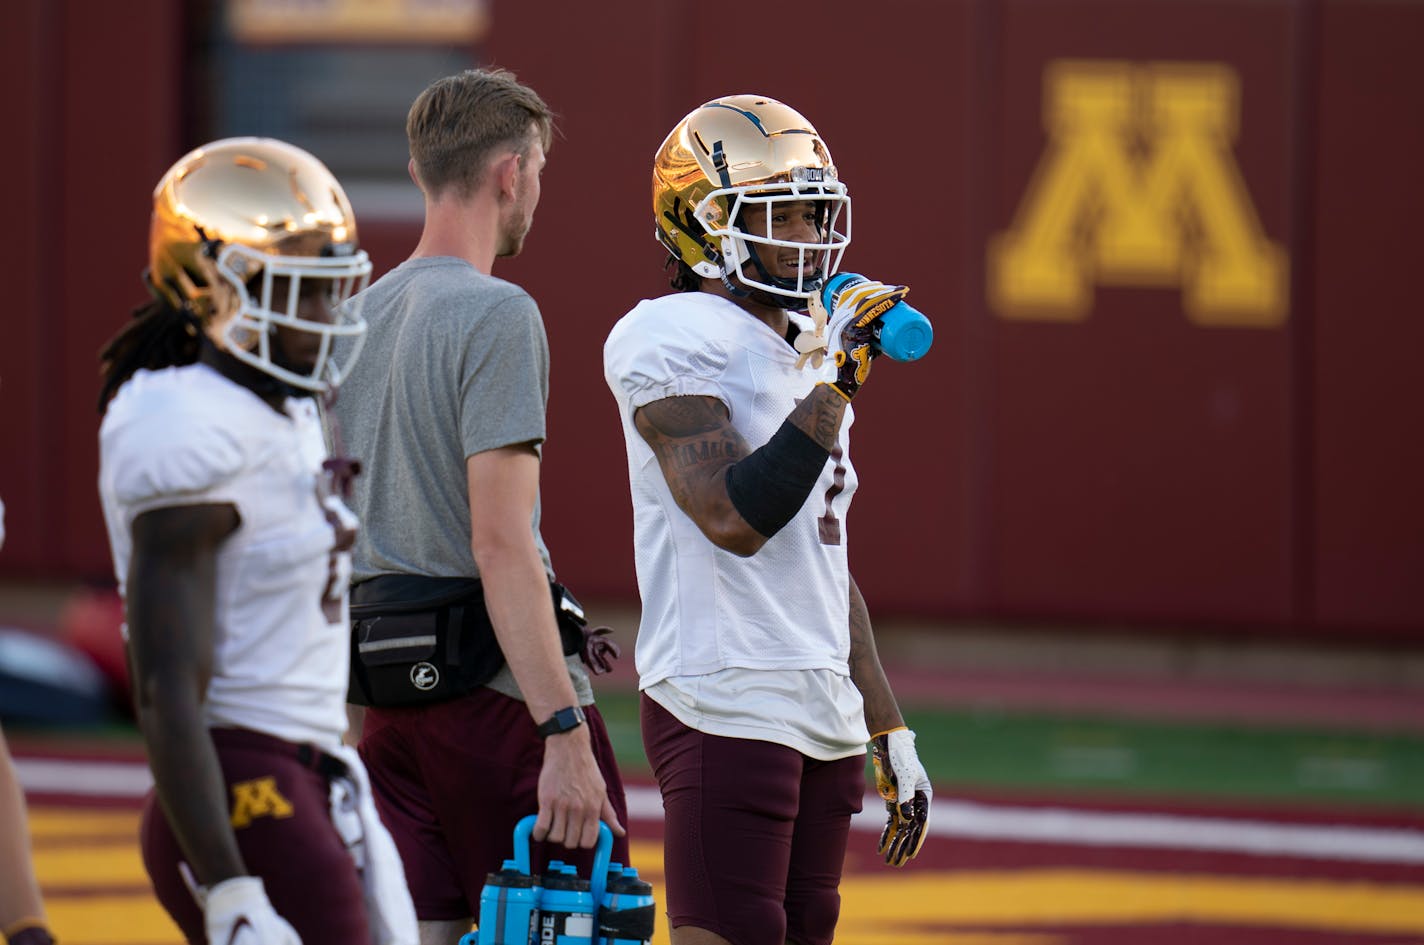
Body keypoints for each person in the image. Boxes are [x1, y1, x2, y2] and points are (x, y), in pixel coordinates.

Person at [602, 95, 935, 945]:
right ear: (700, 229)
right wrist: (835, 385)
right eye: (780, 213)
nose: (808, 238)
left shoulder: (806, 348)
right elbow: (734, 516)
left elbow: (820, 556)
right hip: (725, 691)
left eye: (815, 213)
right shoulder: (668, 334)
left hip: (819, 702)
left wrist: (884, 719)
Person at [332, 68, 629, 943]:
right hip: (497, 705)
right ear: (510, 172)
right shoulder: (499, 313)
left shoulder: (353, 320)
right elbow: (500, 546)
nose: (537, 191)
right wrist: (565, 734)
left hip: (386, 708)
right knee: (583, 925)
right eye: (537, 170)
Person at [96, 137, 417, 945]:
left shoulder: (282, 411)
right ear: (214, 290)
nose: (325, 318)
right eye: (300, 294)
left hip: (309, 772)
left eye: (330, 293)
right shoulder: (187, 420)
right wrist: (230, 882)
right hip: (243, 777)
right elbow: (167, 683)